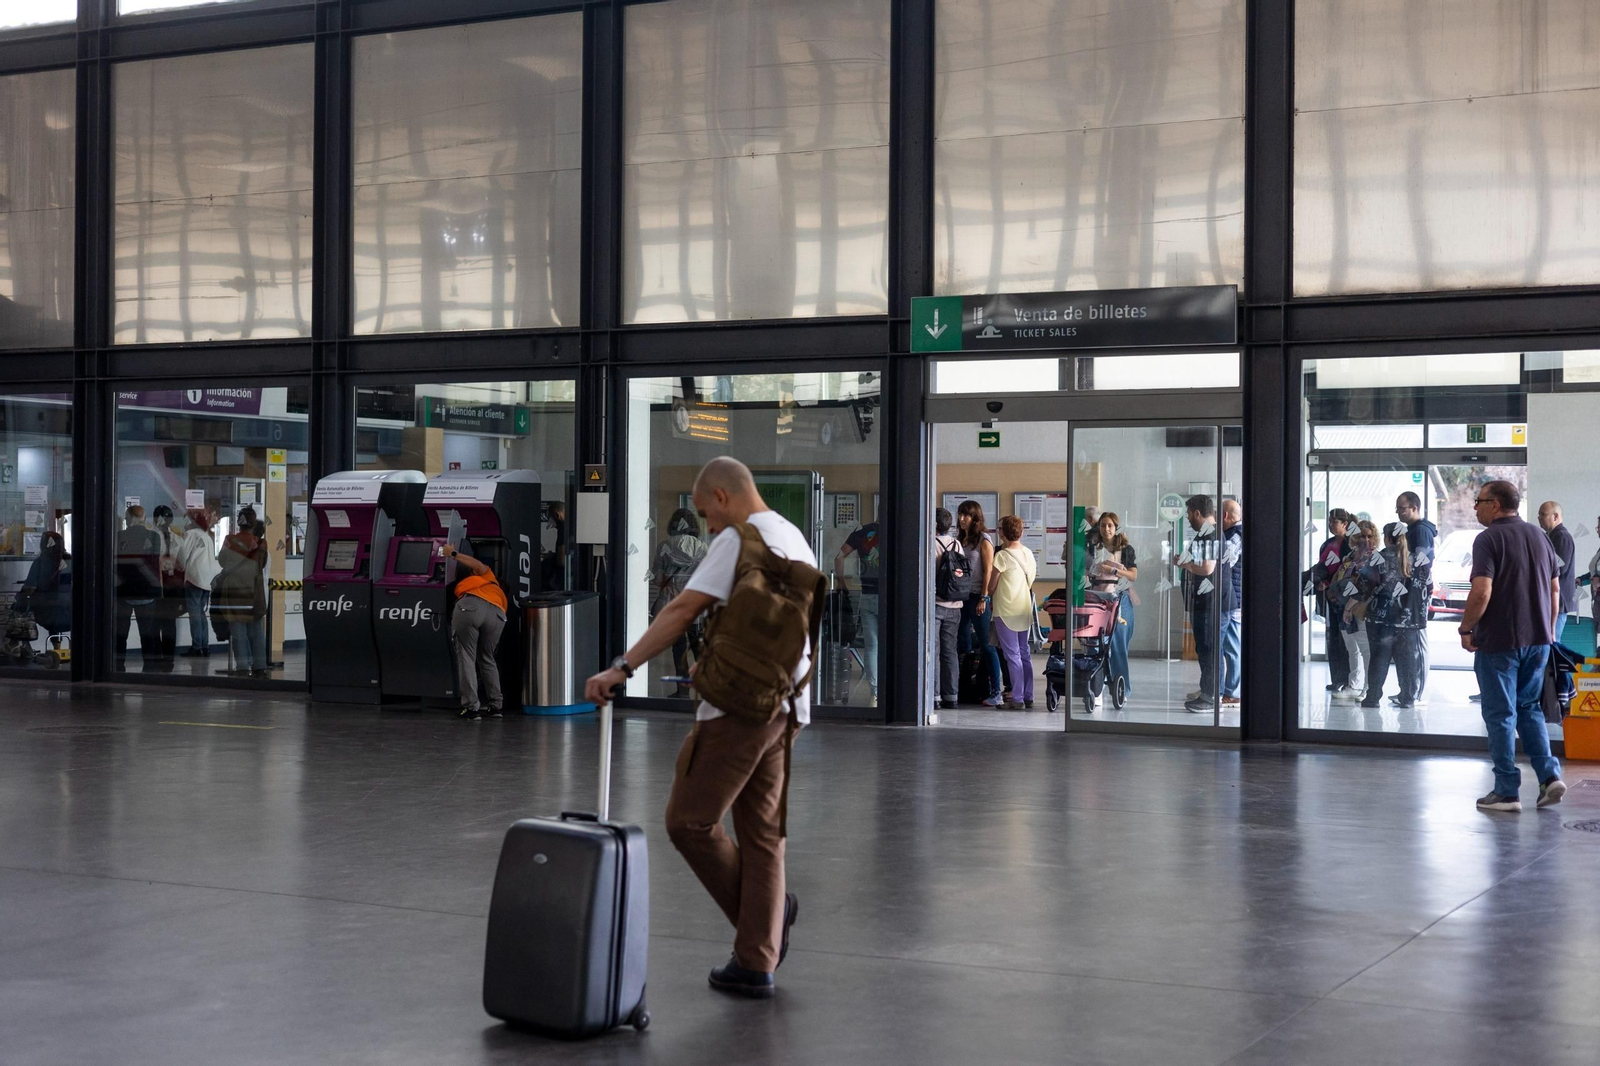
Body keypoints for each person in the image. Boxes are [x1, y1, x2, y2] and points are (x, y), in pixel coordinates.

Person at [583, 457, 812, 999]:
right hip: (788, 704)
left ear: (723, 496)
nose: (706, 525)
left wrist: (622, 667)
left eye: (707, 512)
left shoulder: (739, 539)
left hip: (737, 708)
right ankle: (756, 961)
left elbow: (682, 609)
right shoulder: (793, 537)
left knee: (688, 821)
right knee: (762, 835)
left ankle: (765, 925)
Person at [1458, 480, 1565, 813]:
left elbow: (1482, 591)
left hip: (1500, 641)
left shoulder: (1488, 539)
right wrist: (1549, 631)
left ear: (1495, 504)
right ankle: (1549, 777)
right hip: (1538, 640)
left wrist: (1466, 627)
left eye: (1479, 501)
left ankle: (1506, 791)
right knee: (1529, 708)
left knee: (1500, 713)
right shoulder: (1540, 536)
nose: (1475, 507)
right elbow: (1555, 590)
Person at [444, 541, 509, 720]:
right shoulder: (494, 586)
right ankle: (496, 706)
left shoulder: (484, 574)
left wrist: (452, 554)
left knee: (466, 656)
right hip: (497, 613)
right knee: (487, 658)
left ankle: (471, 708)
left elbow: (477, 564)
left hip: (471, 606)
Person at [652, 508, 708, 698]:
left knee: (679, 648)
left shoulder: (664, 546)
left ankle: (682, 691)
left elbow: (658, 579)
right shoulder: (702, 548)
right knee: (699, 646)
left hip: (672, 604)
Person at [1173, 495, 1219, 712]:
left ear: (1198, 513)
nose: (1188, 518)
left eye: (1189, 513)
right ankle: (1207, 691)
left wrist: (1186, 564)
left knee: (1208, 649)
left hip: (1208, 602)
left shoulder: (1210, 534)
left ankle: (1210, 696)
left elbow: (1207, 568)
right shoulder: (1206, 534)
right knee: (1204, 648)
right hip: (1202, 600)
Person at [956, 500, 1003, 707]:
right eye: (960, 514)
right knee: (962, 643)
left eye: (966, 515)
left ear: (975, 517)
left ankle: (996, 691)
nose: (962, 519)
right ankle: (963, 686)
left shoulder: (984, 540)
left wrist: (984, 597)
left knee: (986, 644)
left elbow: (988, 570)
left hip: (978, 597)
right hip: (961, 597)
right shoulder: (960, 540)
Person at [1358, 523, 1410, 709]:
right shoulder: (1411, 558)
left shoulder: (1377, 558)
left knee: (1379, 658)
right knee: (1404, 659)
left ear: (1387, 538)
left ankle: (1373, 698)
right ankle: (1407, 697)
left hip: (1379, 616)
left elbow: (1365, 584)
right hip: (1405, 618)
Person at [989, 515, 1038, 709]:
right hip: (1023, 608)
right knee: (1024, 653)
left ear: (1003, 534)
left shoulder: (1002, 556)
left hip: (1005, 610)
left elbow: (991, 585)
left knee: (1012, 655)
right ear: (1021, 532)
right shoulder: (1028, 553)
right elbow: (1030, 580)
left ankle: (1017, 698)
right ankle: (1028, 695)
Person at [1087, 511, 1137, 698]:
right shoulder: (1092, 548)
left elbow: (1133, 575)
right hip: (1097, 598)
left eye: (1110, 525)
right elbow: (1084, 570)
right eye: (1103, 525)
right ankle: (1095, 688)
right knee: (1094, 643)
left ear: (1116, 528)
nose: (1106, 529)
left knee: (1118, 646)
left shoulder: (1125, 549)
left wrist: (1113, 569)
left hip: (1119, 598)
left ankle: (1122, 690)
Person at [1394, 492, 1436, 706]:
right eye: (1397, 508)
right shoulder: (1411, 530)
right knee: (1409, 643)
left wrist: (1414, 592)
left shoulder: (1421, 531)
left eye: (1402, 508)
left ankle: (1417, 692)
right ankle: (1408, 689)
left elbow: (1422, 564)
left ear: (1414, 507)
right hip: (1410, 589)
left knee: (1417, 641)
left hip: (1417, 592)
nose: (1398, 512)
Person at [213, 516, 269, 678]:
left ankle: (243, 667)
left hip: (235, 593)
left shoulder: (230, 541)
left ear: (239, 523)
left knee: (238, 633)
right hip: (254, 594)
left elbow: (223, 561)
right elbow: (262, 564)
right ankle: (260, 667)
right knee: (256, 632)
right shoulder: (261, 544)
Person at [1330, 520, 1378, 702]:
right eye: (1361, 536)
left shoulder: (1376, 557)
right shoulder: (1350, 556)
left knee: (1365, 649)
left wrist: (1351, 605)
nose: (1365, 540)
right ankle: (1354, 685)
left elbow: (1369, 585)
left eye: (1369, 536)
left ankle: (1367, 687)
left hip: (1362, 607)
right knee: (1352, 648)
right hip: (1343, 606)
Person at [834, 520, 881, 705]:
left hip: (868, 594)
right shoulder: (897, 530)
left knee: (872, 646)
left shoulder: (862, 532)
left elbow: (839, 556)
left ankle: (875, 694)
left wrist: (840, 582)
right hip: (891, 596)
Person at [114, 505, 161, 670]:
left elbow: (116, 563)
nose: (126, 521)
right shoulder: (154, 537)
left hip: (124, 591)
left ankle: (118, 667)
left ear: (130, 518)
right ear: (144, 518)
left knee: (120, 634)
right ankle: (149, 668)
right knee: (147, 634)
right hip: (147, 591)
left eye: (126, 518)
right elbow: (154, 562)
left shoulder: (119, 536)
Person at [1312, 509, 1354, 691]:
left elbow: (1348, 570)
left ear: (1345, 524)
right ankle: (1336, 678)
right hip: (1328, 595)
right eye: (1329, 521)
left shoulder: (1350, 544)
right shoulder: (1327, 544)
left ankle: (1347, 678)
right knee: (1333, 637)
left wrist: (1331, 584)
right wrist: (1320, 582)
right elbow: (1322, 567)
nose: (1330, 525)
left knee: (1345, 639)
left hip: (1343, 597)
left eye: (1334, 522)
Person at [931, 507, 965, 709]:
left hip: (936, 604)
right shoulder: (956, 544)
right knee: (950, 651)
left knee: (934, 651)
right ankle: (952, 696)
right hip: (955, 605)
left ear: (934, 524)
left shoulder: (931, 544)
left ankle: (935, 696)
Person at [175, 508, 221, 657]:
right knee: (201, 614)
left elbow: (183, 555)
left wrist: (179, 565)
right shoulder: (207, 536)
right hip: (207, 580)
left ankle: (197, 647)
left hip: (194, 578)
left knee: (195, 614)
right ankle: (204, 646)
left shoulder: (190, 534)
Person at [1538, 501, 1578, 645]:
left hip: (1558, 601)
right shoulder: (1551, 536)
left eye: (1543, 515)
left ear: (1555, 516)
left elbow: (1559, 569)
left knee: (1552, 643)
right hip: (1552, 600)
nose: (1539, 518)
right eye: (1539, 515)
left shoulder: (1561, 537)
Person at [148, 506, 183, 668]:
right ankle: (168, 658)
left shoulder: (150, 538)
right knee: (169, 623)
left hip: (156, 584)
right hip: (172, 586)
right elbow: (183, 565)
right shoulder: (178, 539)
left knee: (155, 623)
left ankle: (157, 657)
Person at [1219, 500, 1244, 705]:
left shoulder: (1235, 535)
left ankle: (1232, 691)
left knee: (1232, 645)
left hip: (1233, 598)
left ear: (1225, 515)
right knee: (1229, 644)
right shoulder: (1233, 533)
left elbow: (1224, 561)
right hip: (1232, 596)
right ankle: (1223, 688)